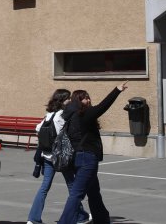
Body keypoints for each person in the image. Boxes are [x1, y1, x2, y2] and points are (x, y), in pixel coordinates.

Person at [56, 84, 128, 224]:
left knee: (94, 191)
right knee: (77, 194)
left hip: (78, 157)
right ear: (77, 101)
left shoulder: (70, 114)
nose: (88, 101)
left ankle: (102, 219)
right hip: (87, 158)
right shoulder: (83, 114)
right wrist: (117, 90)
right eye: (83, 99)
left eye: (88, 98)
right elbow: (103, 106)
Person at [27, 89, 88, 224]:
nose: (71, 101)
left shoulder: (49, 114)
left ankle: (33, 219)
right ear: (63, 100)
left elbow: (37, 128)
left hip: (47, 155)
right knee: (72, 186)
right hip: (61, 157)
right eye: (68, 99)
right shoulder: (62, 115)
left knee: (44, 188)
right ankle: (80, 216)